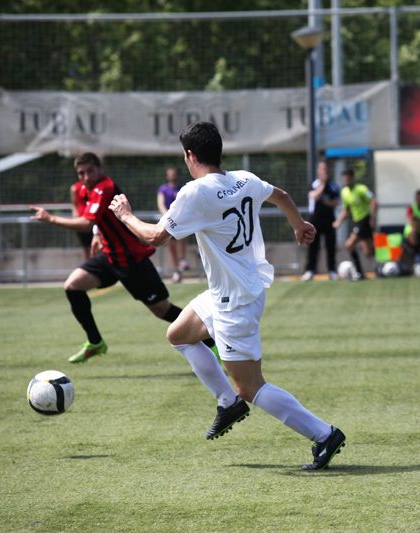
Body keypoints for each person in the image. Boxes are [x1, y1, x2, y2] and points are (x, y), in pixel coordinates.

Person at [109, 121, 346, 470]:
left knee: (251, 387)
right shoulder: (244, 179)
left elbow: (155, 237)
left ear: (190, 155)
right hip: (234, 290)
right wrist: (298, 224)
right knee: (178, 334)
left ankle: (324, 434)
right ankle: (227, 402)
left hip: (235, 303)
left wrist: (125, 215)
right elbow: (281, 195)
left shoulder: (195, 192)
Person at [31, 153, 207, 363]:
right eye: (81, 173)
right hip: (109, 256)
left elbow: (87, 222)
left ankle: (210, 339)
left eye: (90, 171)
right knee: (72, 286)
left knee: (162, 309)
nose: (85, 177)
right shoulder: (86, 190)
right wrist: (97, 233)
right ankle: (95, 342)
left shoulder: (104, 187)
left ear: (100, 169)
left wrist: (50, 218)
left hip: (132, 260)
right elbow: (98, 219)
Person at [333, 169, 377, 280]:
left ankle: (359, 272)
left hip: (365, 220)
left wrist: (373, 219)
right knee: (368, 252)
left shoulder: (361, 189)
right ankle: (378, 267)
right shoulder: (344, 192)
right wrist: (338, 222)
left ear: (352, 178)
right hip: (357, 222)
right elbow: (346, 210)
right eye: (344, 179)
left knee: (349, 245)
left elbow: (374, 201)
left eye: (348, 178)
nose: (346, 181)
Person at [302, 159, 340, 281]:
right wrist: (323, 185)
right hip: (315, 220)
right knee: (313, 246)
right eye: (322, 169)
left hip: (329, 220)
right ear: (318, 171)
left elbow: (336, 202)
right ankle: (310, 270)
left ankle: (332, 271)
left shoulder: (334, 186)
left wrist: (327, 201)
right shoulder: (315, 184)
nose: (324, 171)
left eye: (326, 169)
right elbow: (314, 196)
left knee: (331, 246)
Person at [157, 166, 190, 282]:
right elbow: (161, 204)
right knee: (171, 247)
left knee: (182, 237)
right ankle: (176, 271)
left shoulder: (182, 188)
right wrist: (168, 217)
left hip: (180, 219)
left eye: (173, 173)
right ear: (167, 176)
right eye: (170, 173)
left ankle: (182, 260)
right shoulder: (163, 189)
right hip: (168, 220)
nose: (172, 175)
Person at [70, 177, 95, 261]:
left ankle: (96, 265)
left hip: (92, 219)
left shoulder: (95, 187)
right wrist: (75, 218)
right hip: (81, 220)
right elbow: (74, 204)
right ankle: (88, 266)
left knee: (95, 246)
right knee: (86, 247)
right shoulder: (75, 188)